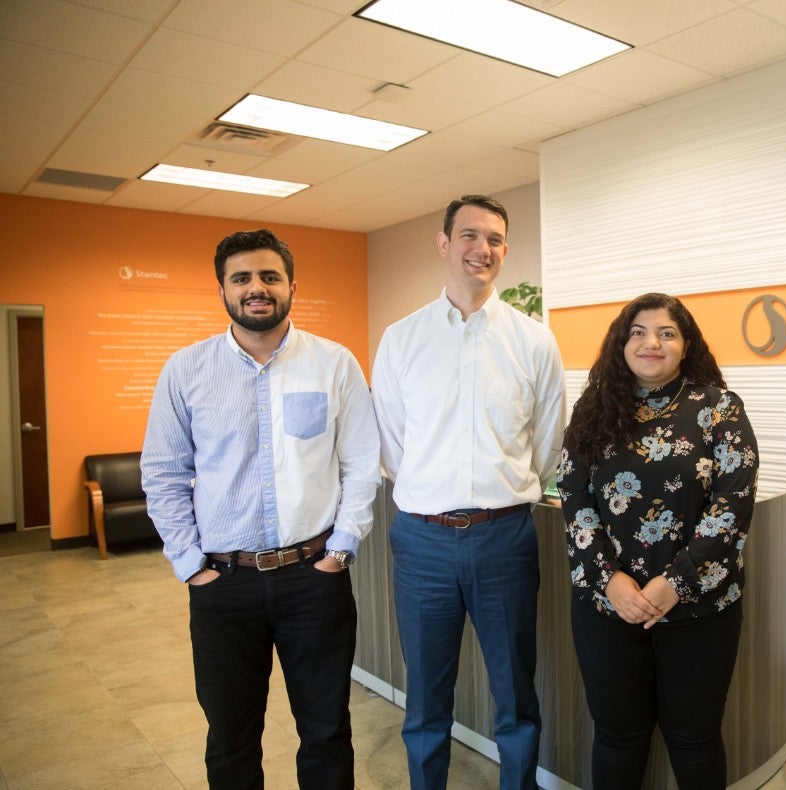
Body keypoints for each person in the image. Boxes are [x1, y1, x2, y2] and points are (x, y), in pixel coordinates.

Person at [141, 229, 381, 790]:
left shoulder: (334, 363)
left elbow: (362, 463)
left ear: (291, 285)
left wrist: (341, 548)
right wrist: (191, 566)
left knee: (325, 730)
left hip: (313, 580)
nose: (257, 288)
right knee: (230, 736)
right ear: (223, 289)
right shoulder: (186, 370)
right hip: (224, 584)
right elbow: (163, 473)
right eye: (242, 278)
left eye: (269, 276)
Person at [370, 195, 566, 789]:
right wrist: (436, 492)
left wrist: (498, 491)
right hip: (422, 541)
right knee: (426, 698)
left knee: (515, 694)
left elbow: (547, 442)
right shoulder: (401, 339)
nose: (482, 249)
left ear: (505, 250)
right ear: (444, 242)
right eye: (469, 235)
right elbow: (392, 446)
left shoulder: (534, 342)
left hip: (504, 537)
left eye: (496, 239)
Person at [556, 292, 759, 789]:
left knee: (694, 739)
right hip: (608, 606)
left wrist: (677, 583)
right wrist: (610, 580)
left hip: (700, 609)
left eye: (667, 333)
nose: (652, 342)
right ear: (621, 345)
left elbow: (733, 503)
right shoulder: (592, 410)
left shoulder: (719, 408)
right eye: (639, 332)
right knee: (618, 737)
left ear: (686, 345)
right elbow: (572, 495)